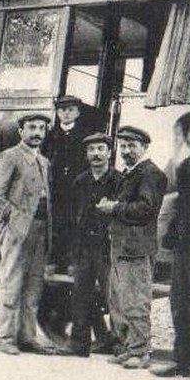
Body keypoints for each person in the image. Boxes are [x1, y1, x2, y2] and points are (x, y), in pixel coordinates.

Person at [97, 126, 167, 369]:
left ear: (144, 147)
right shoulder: (132, 173)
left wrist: (114, 208)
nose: (126, 151)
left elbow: (146, 210)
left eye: (132, 146)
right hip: (122, 246)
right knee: (120, 300)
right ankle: (130, 348)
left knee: (136, 300)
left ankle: (140, 352)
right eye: (123, 146)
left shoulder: (150, 174)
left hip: (136, 248)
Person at [0, 113, 54, 356]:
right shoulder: (10, 157)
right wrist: (13, 218)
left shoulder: (44, 161)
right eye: (32, 128)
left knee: (33, 286)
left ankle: (27, 337)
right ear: (21, 131)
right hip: (17, 230)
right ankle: (4, 337)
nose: (37, 133)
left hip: (41, 229)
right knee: (11, 283)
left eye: (41, 128)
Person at [60, 133, 122, 357]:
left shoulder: (119, 181)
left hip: (108, 249)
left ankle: (120, 345)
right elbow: (72, 219)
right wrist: (72, 254)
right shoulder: (80, 182)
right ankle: (79, 345)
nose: (96, 154)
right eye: (92, 150)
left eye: (100, 149)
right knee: (80, 297)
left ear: (109, 153)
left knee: (113, 297)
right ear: (86, 154)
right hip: (84, 249)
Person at [155, 113, 190, 380]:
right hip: (186, 241)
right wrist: (175, 152)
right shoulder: (187, 164)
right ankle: (182, 360)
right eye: (187, 133)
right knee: (180, 301)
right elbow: (167, 185)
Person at [42, 95, 103, 271]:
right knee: (54, 223)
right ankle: (52, 261)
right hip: (55, 188)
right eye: (62, 110)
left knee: (76, 223)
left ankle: (72, 263)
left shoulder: (86, 136)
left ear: (77, 112)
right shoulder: (49, 136)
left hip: (77, 188)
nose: (66, 113)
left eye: (71, 109)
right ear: (57, 112)